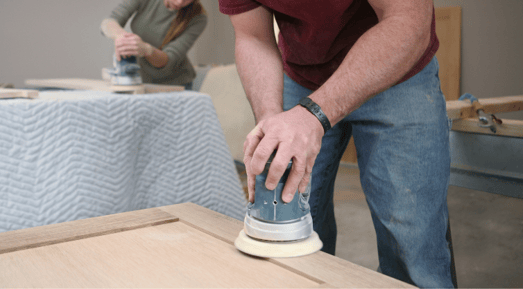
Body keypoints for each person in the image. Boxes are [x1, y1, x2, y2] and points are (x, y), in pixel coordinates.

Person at [218, 0, 457, 287]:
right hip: (303, 72)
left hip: (397, 70)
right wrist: (271, 121)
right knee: (286, 233)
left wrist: (314, 115)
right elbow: (253, 36)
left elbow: (407, 20)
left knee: (412, 242)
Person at [101, 0, 207, 90]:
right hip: (143, 81)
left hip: (176, 83)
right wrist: (123, 38)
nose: (179, 2)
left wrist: (147, 50)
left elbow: (169, 60)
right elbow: (110, 21)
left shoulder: (199, 17)